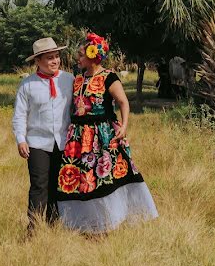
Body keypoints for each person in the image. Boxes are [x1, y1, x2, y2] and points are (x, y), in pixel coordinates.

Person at [55, 33, 158, 234]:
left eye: (81, 55)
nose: (78, 58)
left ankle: (112, 219)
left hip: (102, 134)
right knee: (83, 180)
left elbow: (123, 102)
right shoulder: (77, 80)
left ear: (93, 55)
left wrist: (124, 125)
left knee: (106, 177)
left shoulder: (109, 77)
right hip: (79, 137)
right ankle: (85, 222)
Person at [12, 37, 74, 234]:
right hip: (38, 143)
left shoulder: (69, 80)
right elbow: (20, 115)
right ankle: (34, 228)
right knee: (39, 185)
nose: (55, 61)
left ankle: (54, 224)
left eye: (56, 56)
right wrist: (21, 139)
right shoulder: (27, 85)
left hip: (63, 142)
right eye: (49, 58)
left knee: (59, 184)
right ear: (38, 61)